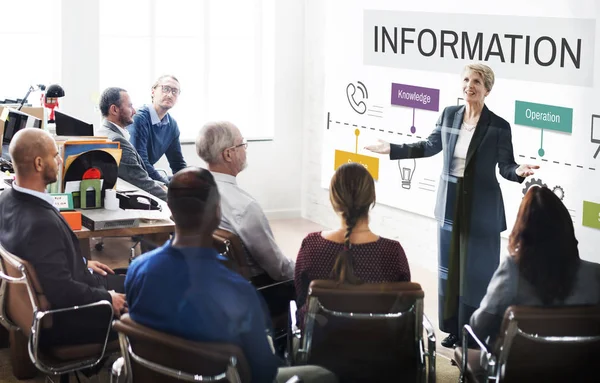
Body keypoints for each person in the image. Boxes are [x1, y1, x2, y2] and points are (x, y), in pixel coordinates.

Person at [366, 63, 539, 348]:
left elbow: (506, 166)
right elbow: (430, 145)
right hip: (449, 204)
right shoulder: (449, 115)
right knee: (450, 271)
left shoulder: (498, 126)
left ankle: (477, 331)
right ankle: (454, 329)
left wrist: (519, 170)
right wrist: (393, 149)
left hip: (482, 211)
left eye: (477, 82)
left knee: (478, 273)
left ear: (488, 90)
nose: (470, 86)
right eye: (467, 80)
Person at [125, 168, 337, 383]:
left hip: (158, 375)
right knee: (323, 376)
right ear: (217, 212)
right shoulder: (237, 290)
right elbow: (264, 371)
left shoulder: (138, 270)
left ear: (170, 209)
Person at [0, 128, 126, 346]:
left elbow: (43, 260)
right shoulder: (41, 223)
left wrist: (82, 263)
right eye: (54, 155)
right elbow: (63, 291)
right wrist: (108, 299)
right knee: (148, 291)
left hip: (58, 296)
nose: (59, 161)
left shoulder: (6, 199)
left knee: (131, 276)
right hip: (70, 317)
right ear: (39, 164)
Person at [470, 186, 600, 344]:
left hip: (518, 366)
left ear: (523, 230)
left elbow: (478, 327)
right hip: (576, 366)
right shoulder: (594, 275)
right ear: (566, 227)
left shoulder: (512, 271)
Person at [295, 163, 411, 325]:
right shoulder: (392, 252)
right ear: (372, 199)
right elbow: (403, 310)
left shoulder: (312, 245)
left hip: (323, 345)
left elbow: (301, 300)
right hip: (380, 345)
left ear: (333, 199)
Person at [195, 121, 295, 282]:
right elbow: (279, 270)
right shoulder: (244, 207)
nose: (245, 150)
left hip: (211, 282)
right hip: (258, 290)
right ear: (228, 154)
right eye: (242, 144)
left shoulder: (191, 190)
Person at [97, 87, 167, 201]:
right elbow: (141, 182)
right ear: (114, 109)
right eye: (130, 106)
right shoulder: (117, 141)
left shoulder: (103, 132)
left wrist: (160, 184)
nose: (134, 111)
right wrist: (175, 201)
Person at [128, 75, 186, 184]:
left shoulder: (172, 125)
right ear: (153, 91)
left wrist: (191, 183)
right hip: (130, 179)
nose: (170, 95)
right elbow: (141, 162)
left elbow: (177, 164)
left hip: (145, 177)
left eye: (175, 91)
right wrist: (166, 185)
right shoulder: (139, 119)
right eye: (165, 89)